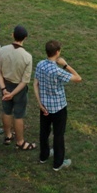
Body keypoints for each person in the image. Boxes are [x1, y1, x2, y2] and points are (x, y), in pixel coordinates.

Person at [34, 40, 82, 170]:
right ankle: (58, 163)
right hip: (59, 107)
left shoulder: (40, 65)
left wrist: (39, 103)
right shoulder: (57, 71)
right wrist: (65, 65)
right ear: (57, 52)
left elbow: (35, 85)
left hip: (44, 106)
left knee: (44, 132)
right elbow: (78, 78)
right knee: (58, 134)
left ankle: (43, 156)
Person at [0, 25, 35, 150]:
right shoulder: (27, 57)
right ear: (25, 38)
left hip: (5, 85)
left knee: (6, 111)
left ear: (12, 35)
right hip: (19, 89)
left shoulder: (2, 50)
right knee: (18, 115)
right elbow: (25, 81)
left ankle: (7, 135)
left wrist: (3, 89)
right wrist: (12, 94)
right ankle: (20, 142)